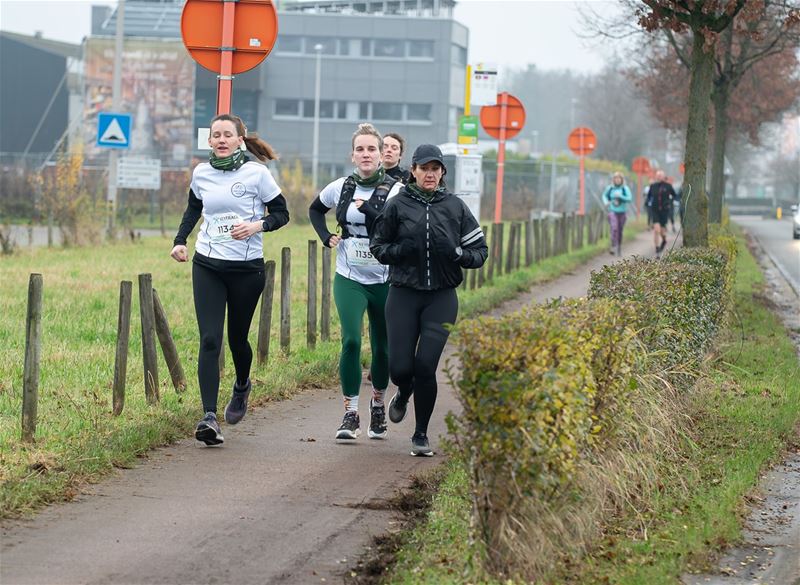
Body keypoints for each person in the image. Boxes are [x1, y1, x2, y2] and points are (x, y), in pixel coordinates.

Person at [170, 113, 289, 446]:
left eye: (227, 135)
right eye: (215, 135)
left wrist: (256, 226)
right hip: (208, 264)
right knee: (210, 339)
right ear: (209, 141)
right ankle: (209, 416)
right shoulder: (201, 172)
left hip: (246, 269)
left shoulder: (257, 174)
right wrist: (180, 241)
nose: (221, 140)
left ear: (241, 138)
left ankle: (241, 386)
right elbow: (194, 208)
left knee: (237, 339)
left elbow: (282, 213)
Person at [370, 144, 488, 457]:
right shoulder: (397, 205)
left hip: (441, 297)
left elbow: (480, 252)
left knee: (425, 366)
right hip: (403, 294)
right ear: (413, 171)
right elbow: (378, 246)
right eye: (424, 168)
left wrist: (459, 254)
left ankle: (420, 434)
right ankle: (402, 391)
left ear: (442, 172)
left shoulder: (455, 207)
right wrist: (401, 251)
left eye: (436, 168)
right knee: (400, 369)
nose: (430, 174)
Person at [308, 123, 401, 441]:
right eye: (360, 149)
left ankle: (377, 406)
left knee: (382, 348)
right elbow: (315, 209)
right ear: (352, 155)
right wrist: (326, 237)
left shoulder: (396, 190)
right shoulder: (341, 187)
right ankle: (350, 413)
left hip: (385, 278)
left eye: (372, 149)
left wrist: (373, 211)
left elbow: (399, 225)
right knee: (350, 340)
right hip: (349, 276)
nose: (366, 154)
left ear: (381, 154)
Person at [601, 171, 632, 256]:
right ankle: (613, 245)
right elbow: (604, 195)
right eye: (616, 178)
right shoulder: (610, 188)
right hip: (612, 211)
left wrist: (620, 196)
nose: (617, 180)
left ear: (621, 180)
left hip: (622, 212)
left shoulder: (625, 188)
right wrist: (606, 202)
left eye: (619, 178)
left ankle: (619, 246)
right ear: (613, 180)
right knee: (614, 228)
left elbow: (629, 198)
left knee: (620, 230)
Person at [648, 170, 677, 257]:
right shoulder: (653, 186)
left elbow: (675, 196)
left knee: (662, 232)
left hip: (664, 211)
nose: (659, 176)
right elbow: (649, 196)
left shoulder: (668, 186)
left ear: (664, 176)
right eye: (658, 175)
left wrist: (669, 202)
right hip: (655, 210)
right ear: (656, 177)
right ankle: (657, 249)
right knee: (656, 230)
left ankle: (664, 240)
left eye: (661, 175)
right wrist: (648, 203)